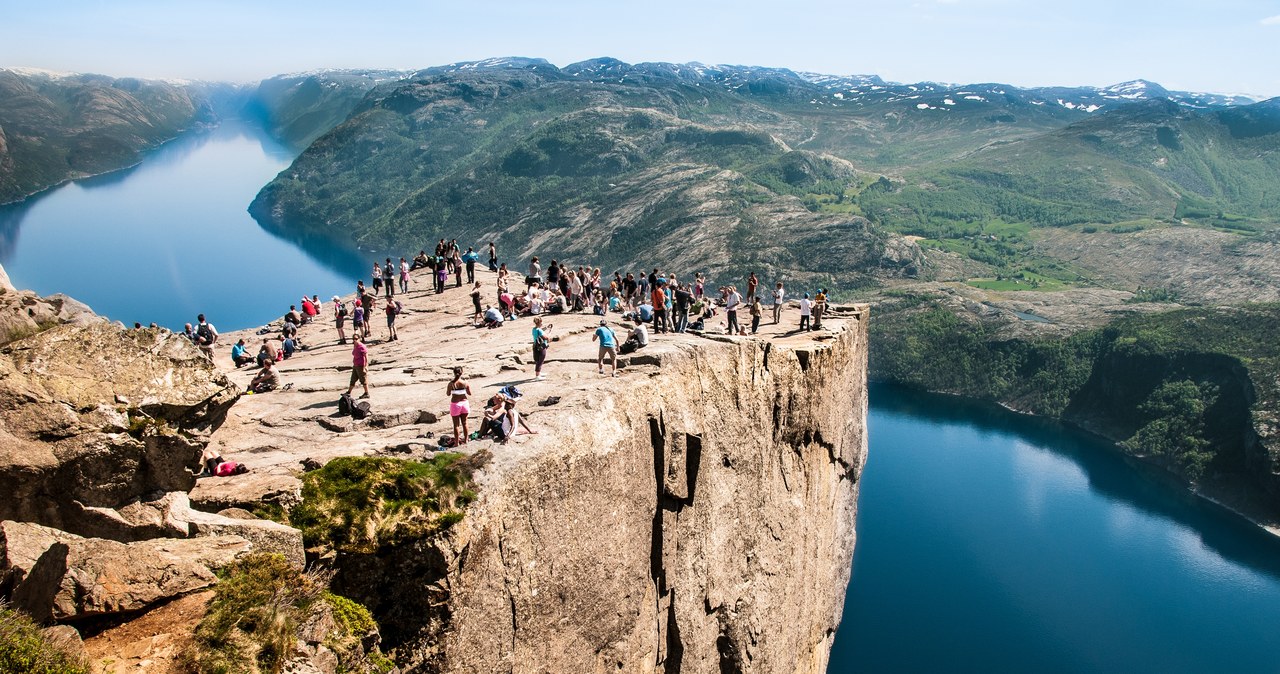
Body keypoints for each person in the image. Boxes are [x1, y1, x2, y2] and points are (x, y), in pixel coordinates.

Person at [447, 367, 472, 446]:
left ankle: (456, 442)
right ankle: (466, 439)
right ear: (462, 373)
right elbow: (469, 393)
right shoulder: (465, 382)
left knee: (456, 425)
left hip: (455, 404)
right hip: (464, 403)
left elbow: (448, 394)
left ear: (454, 373)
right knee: (465, 423)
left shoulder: (451, 383)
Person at [345, 335, 370, 399]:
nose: (354, 340)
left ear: (359, 339)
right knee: (353, 379)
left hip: (361, 366)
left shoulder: (362, 346)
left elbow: (366, 357)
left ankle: (366, 393)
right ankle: (348, 392)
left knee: (363, 380)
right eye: (353, 339)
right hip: (356, 365)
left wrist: (365, 366)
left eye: (356, 339)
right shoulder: (355, 346)